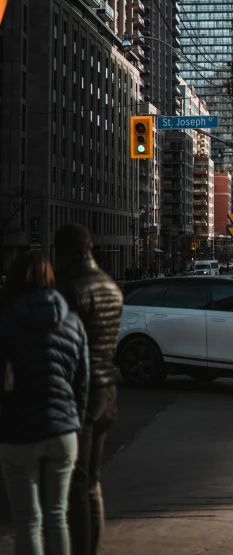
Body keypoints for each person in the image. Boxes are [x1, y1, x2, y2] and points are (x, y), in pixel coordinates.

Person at [0, 251, 89, 555]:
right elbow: (82, 383)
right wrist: (74, 421)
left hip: (18, 431)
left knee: (27, 521)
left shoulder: (7, 322)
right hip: (63, 431)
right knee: (56, 517)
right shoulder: (73, 322)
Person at [54, 225, 123, 555]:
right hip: (107, 388)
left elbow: (64, 348)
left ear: (66, 253)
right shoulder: (111, 286)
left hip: (82, 393)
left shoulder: (71, 290)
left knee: (76, 486)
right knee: (91, 482)